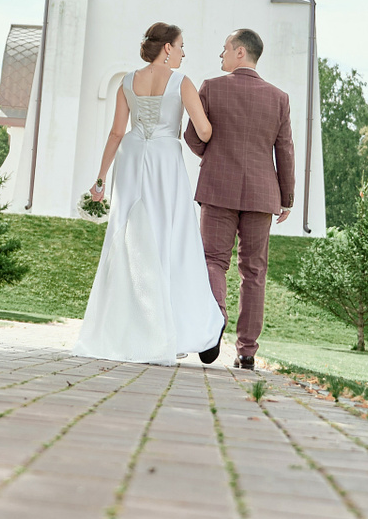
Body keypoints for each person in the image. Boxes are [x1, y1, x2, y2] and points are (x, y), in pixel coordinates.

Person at [72, 22, 227, 365]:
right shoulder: (181, 82)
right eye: (181, 46)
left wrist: (100, 179)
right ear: (167, 48)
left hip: (130, 159)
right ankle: (173, 328)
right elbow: (204, 130)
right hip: (164, 160)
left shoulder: (127, 81)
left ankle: (127, 329)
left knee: (127, 237)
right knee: (171, 239)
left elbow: (116, 132)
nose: (183, 52)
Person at [185, 28, 295, 370]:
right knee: (254, 271)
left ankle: (215, 320)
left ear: (240, 53)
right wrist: (287, 198)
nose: (221, 55)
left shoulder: (211, 87)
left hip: (217, 188)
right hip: (263, 194)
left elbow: (192, 135)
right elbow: (285, 150)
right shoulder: (279, 98)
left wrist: (213, 155)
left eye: (224, 49)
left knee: (213, 260)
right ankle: (247, 351)